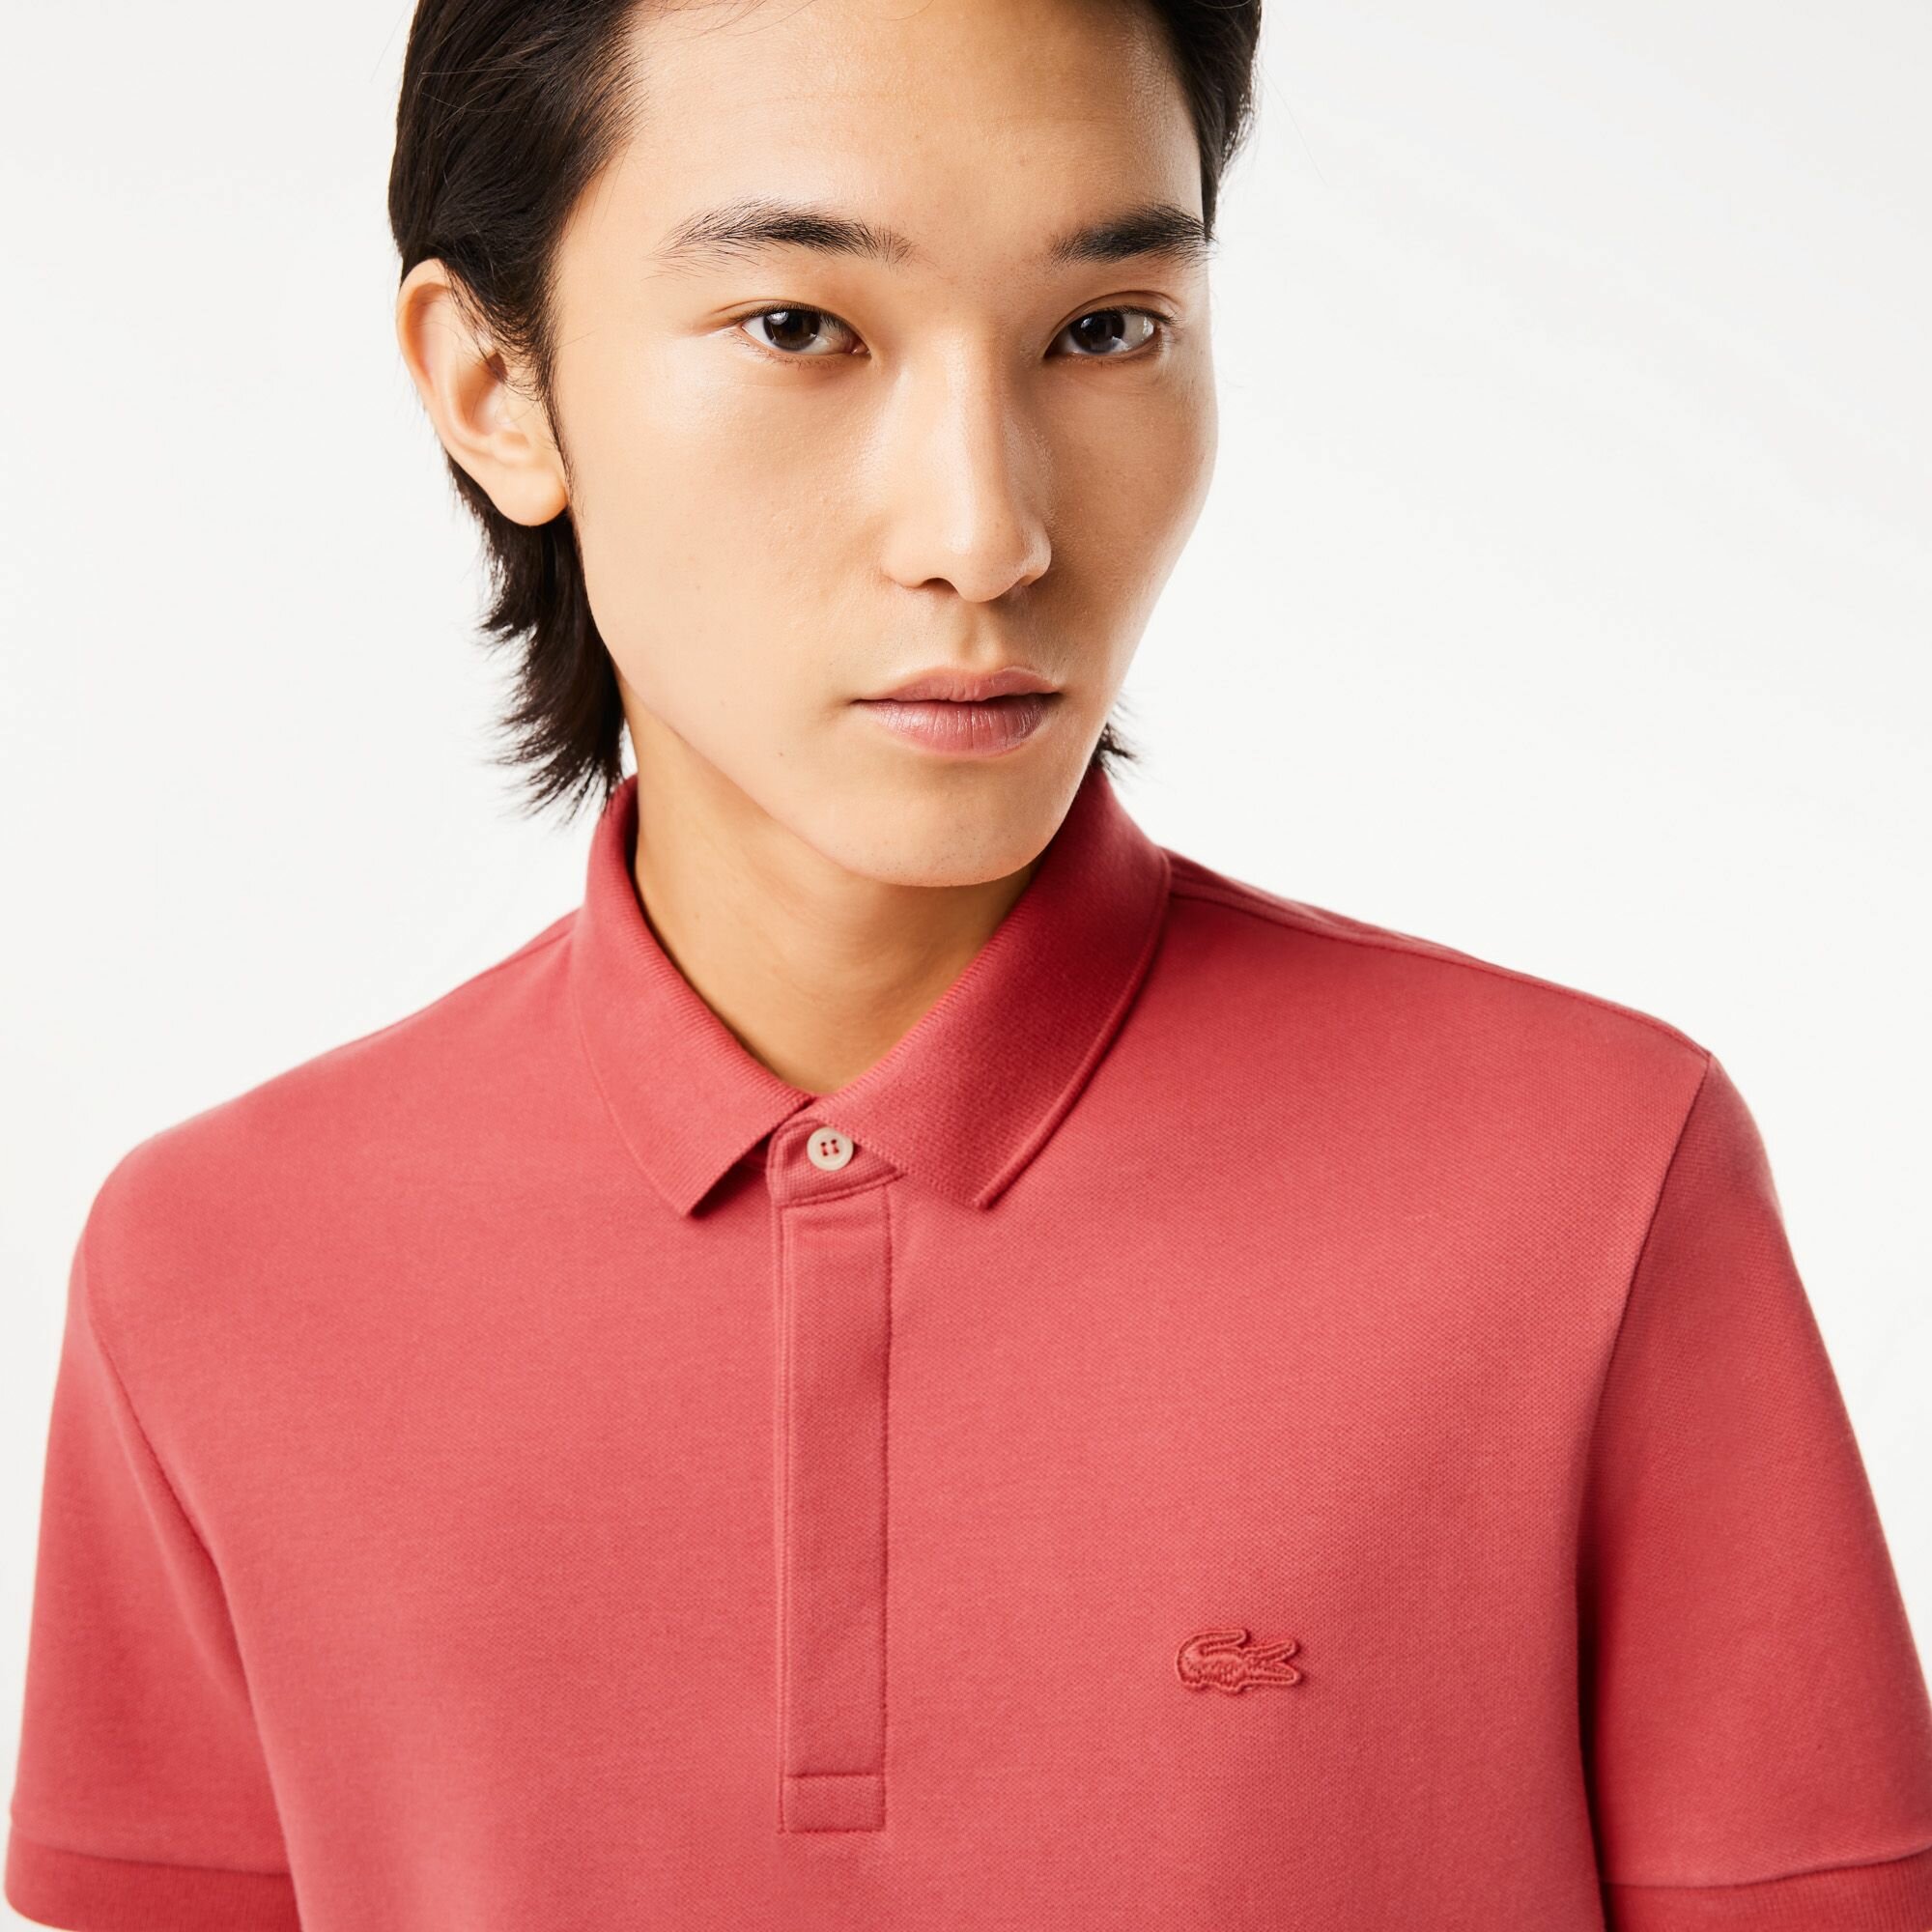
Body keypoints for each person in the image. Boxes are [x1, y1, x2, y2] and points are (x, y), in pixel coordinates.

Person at [8, 1, 1932, 1927]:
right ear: (494, 387)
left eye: (1105, 330)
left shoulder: (1592, 1186)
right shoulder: (214, 1271)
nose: (987, 532)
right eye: (799, 327)